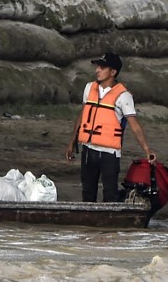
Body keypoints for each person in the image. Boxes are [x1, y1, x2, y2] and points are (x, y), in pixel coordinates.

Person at [66, 53, 156, 202]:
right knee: (87, 192)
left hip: (110, 154)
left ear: (113, 72)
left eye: (102, 67)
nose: (97, 70)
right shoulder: (89, 88)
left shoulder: (123, 96)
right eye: (97, 67)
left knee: (110, 193)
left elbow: (135, 126)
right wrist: (71, 143)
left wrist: (147, 150)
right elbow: (83, 116)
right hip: (88, 150)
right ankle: (89, 223)